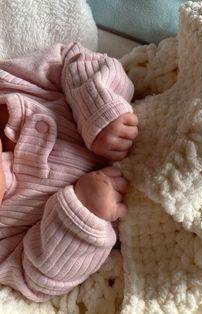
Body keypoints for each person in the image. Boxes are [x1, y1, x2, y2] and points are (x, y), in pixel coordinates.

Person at [0, 42, 138, 302]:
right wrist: (84, 210)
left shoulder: (10, 83)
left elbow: (71, 59)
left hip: (157, 123)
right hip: (147, 219)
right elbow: (38, 276)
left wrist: (99, 110)